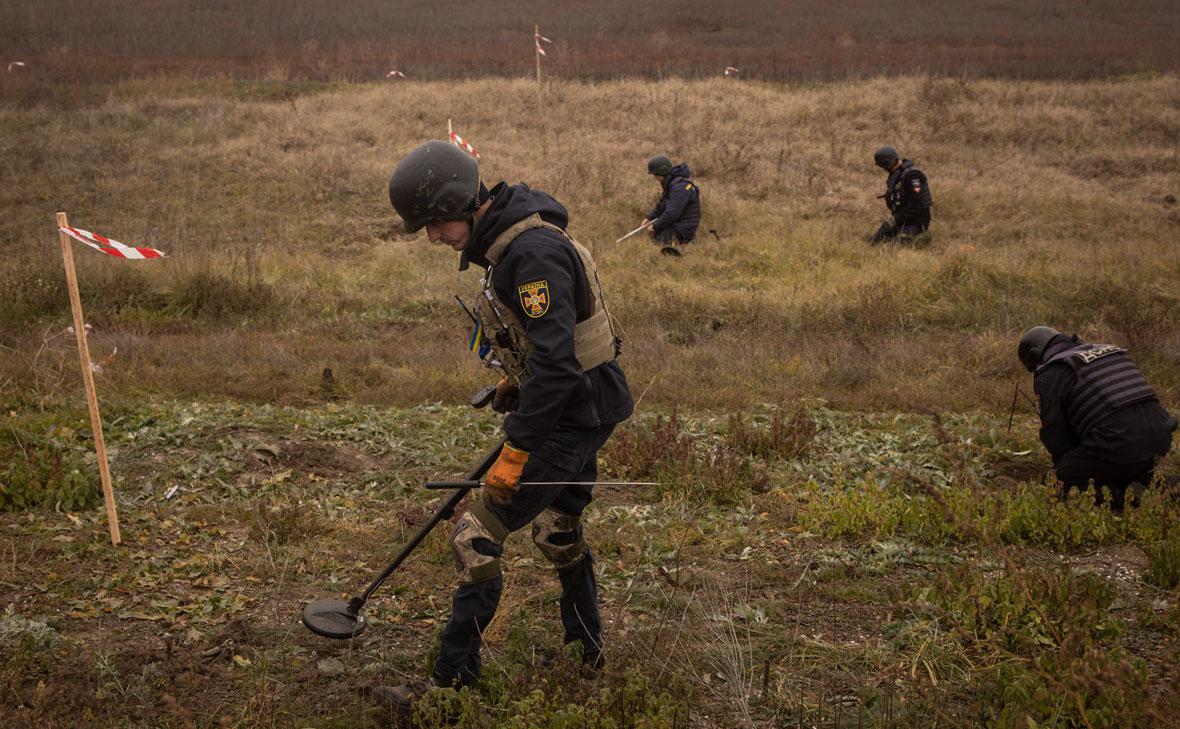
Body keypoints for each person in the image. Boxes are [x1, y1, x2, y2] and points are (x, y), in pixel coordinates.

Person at [377, 140, 634, 711]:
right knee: (557, 531)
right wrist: (516, 382)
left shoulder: (531, 254)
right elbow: (551, 348)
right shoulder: (511, 242)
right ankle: (585, 655)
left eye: (436, 223)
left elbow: (561, 364)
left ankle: (447, 694)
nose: (433, 237)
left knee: (476, 538)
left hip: (573, 415)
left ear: (464, 205)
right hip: (581, 406)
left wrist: (518, 448)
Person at [1018, 326, 1176, 511]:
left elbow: (1056, 435)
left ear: (1035, 355)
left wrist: (1065, 470)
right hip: (1160, 436)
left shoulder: (1050, 373)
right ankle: (1163, 486)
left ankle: (1125, 502)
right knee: (1130, 469)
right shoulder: (1109, 351)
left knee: (1057, 483)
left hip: (1116, 443)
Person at [870, 146, 932, 245]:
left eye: (883, 166)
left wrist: (896, 219)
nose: (883, 169)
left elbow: (918, 205)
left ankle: (922, 236)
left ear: (887, 163)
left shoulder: (912, 176)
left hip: (916, 222)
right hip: (901, 221)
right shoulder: (896, 176)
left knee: (895, 247)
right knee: (874, 242)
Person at [643, 154, 701, 254]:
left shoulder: (679, 188)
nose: (654, 177)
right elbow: (662, 206)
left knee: (657, 244)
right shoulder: (671, 183)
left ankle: (685, 243)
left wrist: (655, 226)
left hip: (684, 226)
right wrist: (649, 218)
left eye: (654, 174)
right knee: (656, 237)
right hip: (677, 223)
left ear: (659, 173)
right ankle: (684, 242)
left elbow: (672, 213)